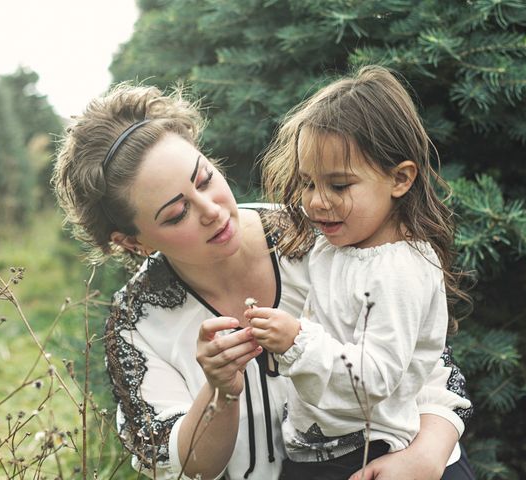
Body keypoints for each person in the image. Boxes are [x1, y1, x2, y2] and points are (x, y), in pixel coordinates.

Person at [52, 82, 473, 480]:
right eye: (176, 213)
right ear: (133, 241)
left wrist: (427, 455)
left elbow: (426, 355)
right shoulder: (138, 321)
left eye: (204, 180)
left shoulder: (320, 231)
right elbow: (185, 468)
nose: (212, 210)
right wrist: (221, 393)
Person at [249, 65, 473, 479]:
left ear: (400, 179)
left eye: (339, 185)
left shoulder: (399, 268)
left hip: (378, 455)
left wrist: (297, 342)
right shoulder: (336, 245)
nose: (316, 202)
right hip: (320, 451)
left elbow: (375, 379)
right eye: (308, 183)